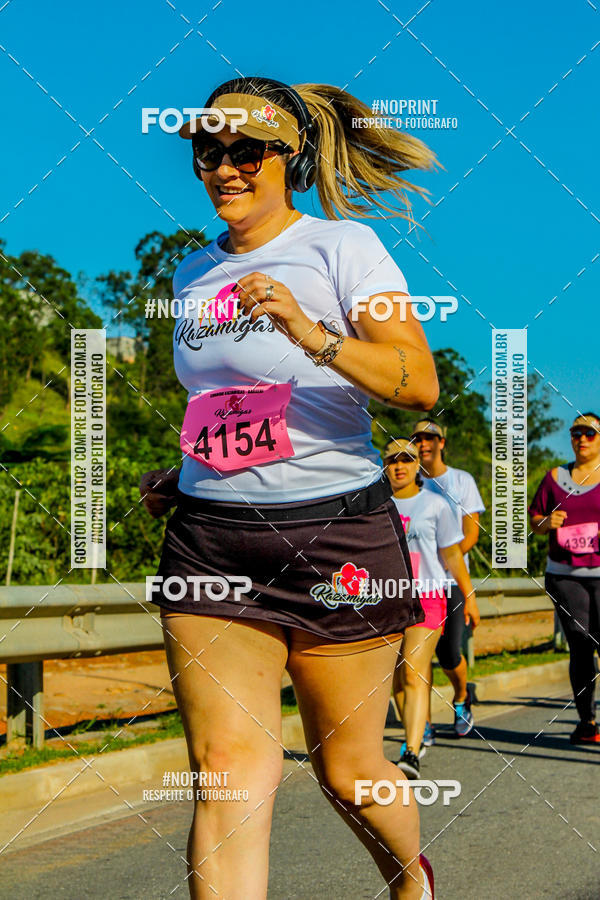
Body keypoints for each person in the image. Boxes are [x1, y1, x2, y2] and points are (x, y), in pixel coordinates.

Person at [141, 76, 440, 899]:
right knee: (227, 771)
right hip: (213, 537)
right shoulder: (191, 273)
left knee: (348, 772)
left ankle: (411, 882)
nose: (225, 166)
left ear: (289, 157)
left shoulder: (345, 250)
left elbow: (417, 383)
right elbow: (233, 405)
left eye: (247, 149)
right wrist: (189, 467)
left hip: (338, 538)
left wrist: (310, 332)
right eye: (210, 149)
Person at [384, 438, 478, 778]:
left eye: (406, 458)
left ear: (416, 466)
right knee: (395, 677)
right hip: (387, 599)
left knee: (413, 670)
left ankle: (410, 752)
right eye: (392, 458)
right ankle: (418, 730)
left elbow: (452, 554)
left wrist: (469, 595)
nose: (399, 464)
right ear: (384, 464)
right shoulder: (376, 507)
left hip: (428, 598)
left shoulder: (435, 505)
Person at [529, 412, 600, 744]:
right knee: (581, 643)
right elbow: (535, 518)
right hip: (565, 575)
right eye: (576, 433)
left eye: (589, 433)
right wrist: (547, 523)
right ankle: (586, 720)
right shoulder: (554, 478)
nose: (582, 439)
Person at [410, 419, 483, 737]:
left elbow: (471, 534)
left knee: (450, 652)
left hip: (451, 580)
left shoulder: (461, 481)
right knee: (416, 656)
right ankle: (421, 722)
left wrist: (444, 560)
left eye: (430, 438)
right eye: (417, 439)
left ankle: (463, 695)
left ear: (442, 443)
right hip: (415, 583)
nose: (423, 443)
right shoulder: (407, 482)